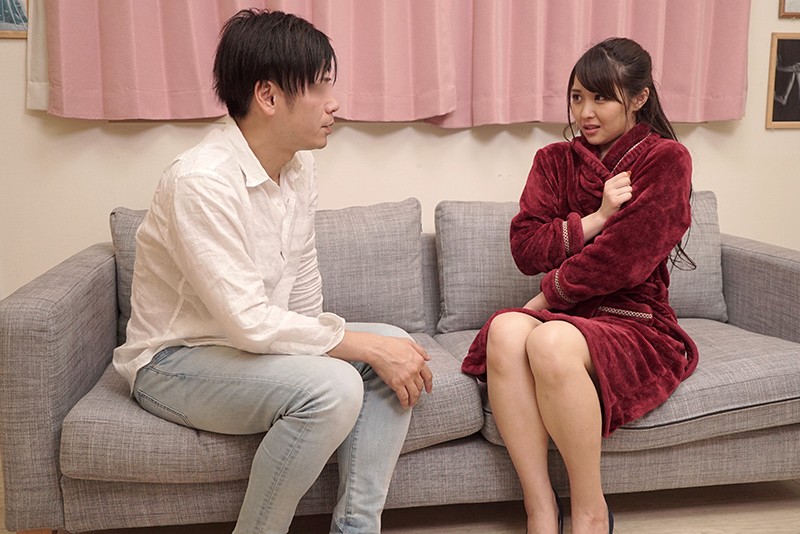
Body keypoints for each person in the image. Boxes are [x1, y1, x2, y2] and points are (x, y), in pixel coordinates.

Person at [112, 9, 433, 534]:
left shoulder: (299, 167)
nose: (334, 103)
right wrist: (353, 350)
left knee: (394, 344)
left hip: (247, 351)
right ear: (268, 96)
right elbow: (248, 321)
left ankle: (356, 529)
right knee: (335, 386)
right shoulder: (201, 181)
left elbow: (303, 289)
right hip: (173, 363)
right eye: (320, 86)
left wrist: (358, 348)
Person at [461, 37, 698, 534]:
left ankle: (590, 511)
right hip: (568, 317)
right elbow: (525, 248)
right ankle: (540, 509)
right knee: (506, 331)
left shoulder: (666, 160)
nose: (585, 113)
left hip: (634, 320)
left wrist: (545, 297)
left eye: (601, 98)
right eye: (576, 98)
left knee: (547, 339)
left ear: (639, 98)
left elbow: (624, 260)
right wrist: (596, 218)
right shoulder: (553, 161)